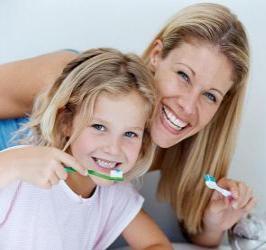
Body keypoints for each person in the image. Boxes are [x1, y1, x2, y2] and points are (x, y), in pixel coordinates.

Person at [0, 3, 255, 247]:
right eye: (183, 76)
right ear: (157, 56)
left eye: (210, 96)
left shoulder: (167, 151)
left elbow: (195, 238)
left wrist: (213, 224)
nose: (188, 106)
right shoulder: (71, 82)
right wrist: (11, 164)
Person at [0, 48, 172, 249]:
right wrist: (11, 166)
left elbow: (156, 244)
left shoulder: (114, 194)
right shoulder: (22, 171)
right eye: (99, 127)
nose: (113, 149)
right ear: (66, 122)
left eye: (130, 134)